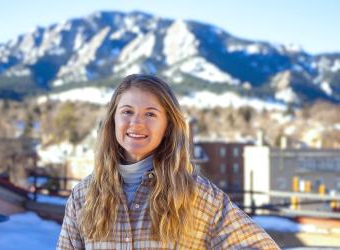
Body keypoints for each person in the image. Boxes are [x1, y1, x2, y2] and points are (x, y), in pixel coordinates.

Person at [57, 74, 280, 249]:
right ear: (113, 120)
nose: (136, 123)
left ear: (167, 126)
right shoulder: (83, 195)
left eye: (151, 114)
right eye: (127, 111)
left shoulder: (196, 195)